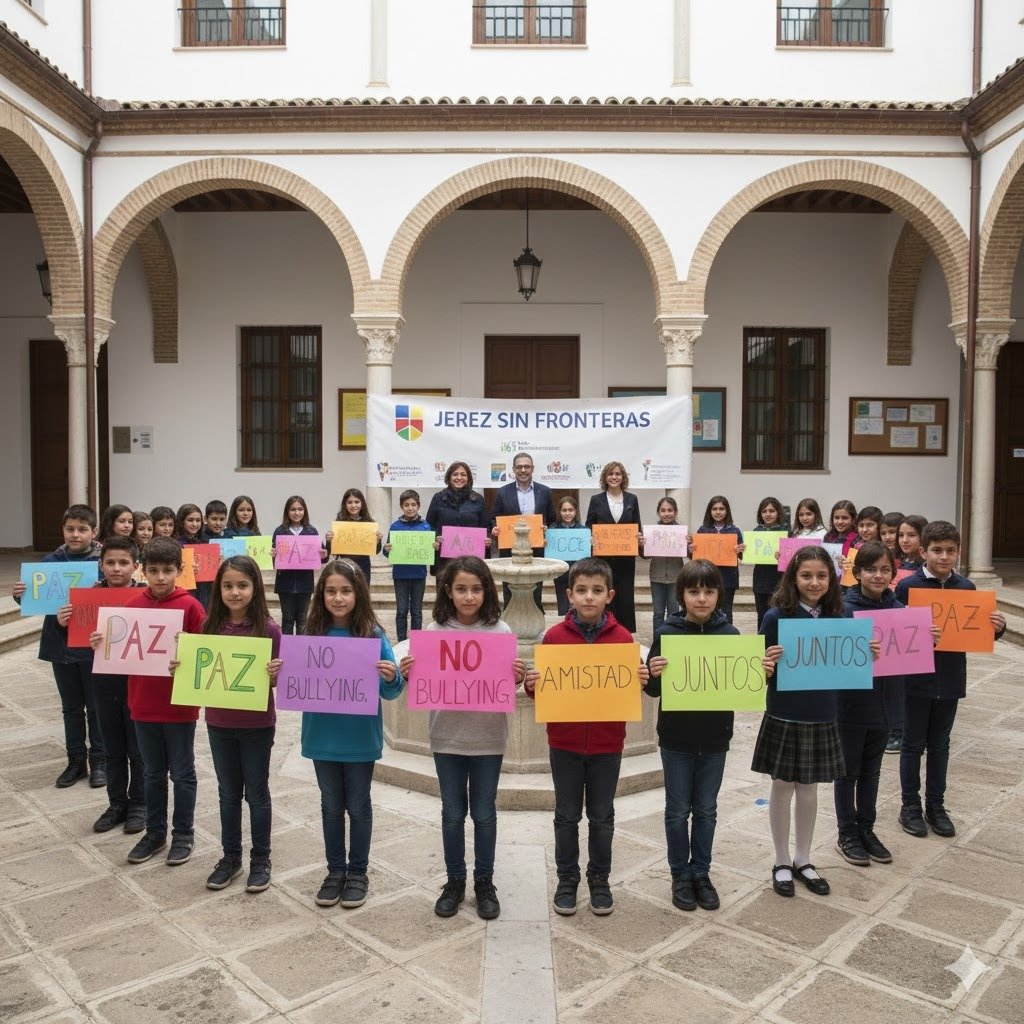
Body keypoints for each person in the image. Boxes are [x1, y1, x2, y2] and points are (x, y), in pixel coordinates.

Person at [399, 556, 525, 920]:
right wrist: (411, 673)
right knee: (452, 814)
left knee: (485, 813)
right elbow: (421, 683)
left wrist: (516, 676)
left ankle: (484, 881)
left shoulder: (500, 632)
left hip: (488, 739)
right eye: (461, 589)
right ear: (448, 591)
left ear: (487, 591)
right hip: (446, 737)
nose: (469, 597)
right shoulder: (433, 632)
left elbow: (505, 684)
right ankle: (455, 881)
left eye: (476, 589)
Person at [524, 557, 649, 917]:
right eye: (581, 591)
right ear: (569, 595)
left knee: (602, 815)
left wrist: (639, 681)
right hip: (564, 743)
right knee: (565, 815)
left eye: (596, 591)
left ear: (610, 595)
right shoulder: (554, 638)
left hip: (608, 744)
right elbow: (543, 692)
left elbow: (628, 690)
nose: (589, 597)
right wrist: (533, 686)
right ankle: (567, 878)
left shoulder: (623, 639)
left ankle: (599, 879)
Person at [756, 546, 878, 898]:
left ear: (833, 578)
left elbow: (849, 668)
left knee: (809, 790)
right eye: (806, 575)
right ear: (793, 577)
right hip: (784, 711)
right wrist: (765, 662)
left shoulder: (841, 620)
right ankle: (780, 861)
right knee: (782, 787)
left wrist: (865, 656)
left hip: (823, 713)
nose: (814, 582)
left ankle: (803, 859)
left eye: (821, 575)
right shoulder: (776, 617)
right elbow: (760, 672)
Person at [92, 537, 206, 866]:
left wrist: (189, 651)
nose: (160, 578)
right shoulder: (130, 607)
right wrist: (100, 642)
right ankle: (155, 833)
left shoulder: (192, 607)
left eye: (167, 571)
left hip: (179, 706)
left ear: (179, 571)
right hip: (141, 705)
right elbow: (116, 652)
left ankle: (183, 833)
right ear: (143, 569)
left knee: (182, 774)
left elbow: (205, 653)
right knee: (153, 773)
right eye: (153, 570)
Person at [895, 521, 1005, 840]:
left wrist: (994, 627)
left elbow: (974, 631)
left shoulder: (966, 588)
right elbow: (896, 634)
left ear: (958, 552)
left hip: (951, 677)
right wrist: (914, 633)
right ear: (923, 551)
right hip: (916, 679)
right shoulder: (908, 587)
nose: (944, 557)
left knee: (940, 744)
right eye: (937, 550)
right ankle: (909, 806)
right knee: (912, 744)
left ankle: (936, 806)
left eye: (951, 551)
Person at [302, 559, 402, 909]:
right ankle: (334, 871)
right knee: (330, 805)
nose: (338, 598)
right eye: (331, 591)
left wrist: (390, 676)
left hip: (359, 738)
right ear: (321, 594)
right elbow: (297, 683)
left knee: (358, 805)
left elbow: (392, 692)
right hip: (321, 736)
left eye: (345, 591)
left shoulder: (373, 635)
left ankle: (358, 872)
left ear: (358, 594)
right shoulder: (310, 635)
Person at [646, 560, 736, 912]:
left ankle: (701, 871)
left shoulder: (731, 636)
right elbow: (653, 691)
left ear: (719, 594)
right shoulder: (667, 633)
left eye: (709, 591)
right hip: (676, 738)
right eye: (694, 591)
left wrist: (758, 671)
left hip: (716, 738)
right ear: (681, 594)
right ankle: (679, 874)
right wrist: (653, 673)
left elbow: (742, 685)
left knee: (707, 810)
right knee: (677, 810)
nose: (701, 599)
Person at [197, 556, 283, 893]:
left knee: (257, 792)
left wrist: (278, 674)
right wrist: (184, 668)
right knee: (228, 793)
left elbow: (277, 682)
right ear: (218, 589)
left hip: (258, 724)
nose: (235, 592)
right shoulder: (208, 627)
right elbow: (200, 674)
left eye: (242, 585)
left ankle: (260, 858)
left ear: (255, 589)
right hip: (218, 722)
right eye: (228, 586)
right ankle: (230, 857)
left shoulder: (269, 629)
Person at [12, 503, 104, 788]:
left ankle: (99, 760)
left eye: (82, 529)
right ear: (63, 530)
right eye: (70, 529)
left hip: (91, 646)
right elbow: (36, 599)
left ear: (94, 531)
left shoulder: (102, 563)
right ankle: (75, 760)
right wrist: (21, 595)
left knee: (95, 705)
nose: (75, 535)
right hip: (60, 645)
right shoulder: (50, 561)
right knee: (70, 707)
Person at [836, 542, 905, 867]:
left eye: (885, 570)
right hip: (851, 705)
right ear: (858, 572)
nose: (878, 575)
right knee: (847, 772)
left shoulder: (901, 611)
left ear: (892, 573)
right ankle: (847, 833)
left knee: (873, 772)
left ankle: (867, 828)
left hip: (886, 702)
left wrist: (926, 639)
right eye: (871, 569)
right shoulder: (843, 609)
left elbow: (909, 654)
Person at [89, 536, 145, 835]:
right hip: (102, 683)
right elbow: (75, 641)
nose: (116, 568)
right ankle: (116, 803)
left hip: (137, 684)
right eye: (110, 563)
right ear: (101, 565)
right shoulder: (89, 598)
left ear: (136, 567)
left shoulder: (148, 598)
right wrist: (65, 624)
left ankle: (139, 804)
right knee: (112, 747)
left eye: (124, 563)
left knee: (137, 749)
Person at [489, 452, 555, 609]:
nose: (523, 470)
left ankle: (535, 626)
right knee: (510, 592)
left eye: (527, 466)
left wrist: (547, 531)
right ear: (513, 469)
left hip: (536, 550)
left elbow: (552, 519)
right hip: (510, 551)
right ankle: (511, 626)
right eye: (519, 467)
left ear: (532, 469)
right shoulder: (503, 492)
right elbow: (493, 519)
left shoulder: (545, 491)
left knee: (535, 593)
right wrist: (495, 529)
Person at [584, 462, 641, 633]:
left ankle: (624, 632)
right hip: (603, 559)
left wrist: (638, 537)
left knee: (624, 596)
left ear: (623, 477)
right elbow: (589, 526)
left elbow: (637, 525)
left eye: (617, 474)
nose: (614, 477)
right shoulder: (596, 500)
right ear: (605, 478)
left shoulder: (632, 499)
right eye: (610, 474)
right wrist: (591, 538)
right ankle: (603, 631)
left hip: (626, 559)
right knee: (605, 594)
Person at [425, 462, 490, 579]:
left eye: (463, 475)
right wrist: (435, 537)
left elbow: (486, 527)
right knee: (444, 593)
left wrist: (487, 540)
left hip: (471, 561)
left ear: (468, 478)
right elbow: (429, 525)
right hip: (444, 559)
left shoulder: (478, 500)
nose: (459, 478)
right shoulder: (438, 498)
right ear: (449, 477)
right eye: (455, 474)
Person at [271, 495, 324, 636]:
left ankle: (301, 652)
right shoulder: (280, 531)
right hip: (285, 584)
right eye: (293, 509)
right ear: (287, 512)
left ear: (305, 511)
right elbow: (274, 563)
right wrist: (274, 556)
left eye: (300, 509)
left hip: (305, 584)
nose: (297, 513)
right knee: (287, 620)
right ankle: (287, 652)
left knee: (302, 620)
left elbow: (322, 557)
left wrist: (324, 554)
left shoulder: (312, 531)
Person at [385, 489, 431, 643]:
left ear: (418, 506)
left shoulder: (425, 526)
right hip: (400, 575)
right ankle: (401, 641)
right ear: (401, 506)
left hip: (419, 574)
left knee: (417, 611)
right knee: (402, 610)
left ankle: (416, 642)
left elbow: (429, 551)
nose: (410, 508)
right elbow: (387, 553)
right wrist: (387, 549)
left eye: (413, 505)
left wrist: (433, 547)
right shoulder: (395, 526)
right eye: (406, 505)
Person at [692, 495, 744, 624]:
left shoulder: (735, 531)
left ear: (727, 511)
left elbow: (741, 556)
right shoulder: (703, 530)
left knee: (726, 611)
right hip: (708, 577)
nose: (718, 512)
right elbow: (696, 557)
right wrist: (691, 550)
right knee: (709, 611)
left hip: (728, 579)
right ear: (709, 511)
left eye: (722, 509)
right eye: (714, 509)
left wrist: (740, 551)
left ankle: (727, 638)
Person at [642, 496, 685, 637]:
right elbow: (645, 556)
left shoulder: (682, 532)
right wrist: (642, 545)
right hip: (656, 575)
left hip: (676, 576)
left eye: (670, 510)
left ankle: (672, 641)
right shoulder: (651, 532)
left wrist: (690, 544)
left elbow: (689, 553)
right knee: (658, 612)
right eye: (663, 510)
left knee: (674, 611)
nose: (667, 514)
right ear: (658, 513)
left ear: (676, 512)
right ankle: (658, 641)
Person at [325, 488, 381, 584]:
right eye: (349, 502)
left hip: (363, 565)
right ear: (345, 504)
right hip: (344, 564)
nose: (353, 505)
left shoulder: (369, 523)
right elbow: (331, 550)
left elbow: (376, 550)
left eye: (357, 502)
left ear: (362, 503)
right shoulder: (339, 523)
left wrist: (378, 541)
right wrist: (329, 540)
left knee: (362, 594)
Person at [547, 496, 586, 617]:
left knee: (579, 601)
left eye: (571, 510)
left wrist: (591, 544)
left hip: (578, 572)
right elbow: (550, 550)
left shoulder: (583, 530)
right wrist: (546, 543)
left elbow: (586, 554)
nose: (567, 513)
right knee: (562, 604)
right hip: (560, 571)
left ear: (576, 511)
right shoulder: (552, 529)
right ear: (559, 511)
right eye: (564, 510)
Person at [752, 496, 785, 631]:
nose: (768, 514)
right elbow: (748, 556)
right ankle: (761, 645)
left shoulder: (786, 532)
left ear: (778, 513)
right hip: (760, 579)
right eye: (764, 511)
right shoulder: (756, 532)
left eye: (771, 511)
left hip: (778, 580)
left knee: (777, 614)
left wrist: (782, 557)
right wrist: (742, 551)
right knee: (761, 615)